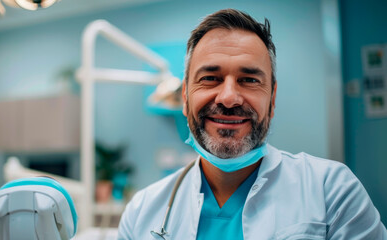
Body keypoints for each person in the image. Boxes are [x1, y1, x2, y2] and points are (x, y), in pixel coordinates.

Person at [117, 9, 387, 240]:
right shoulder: (142, 211)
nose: (229, 98)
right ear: (185, 98)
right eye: (210, 78)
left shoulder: (333, 192)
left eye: (249, 80)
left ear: (272, 99)